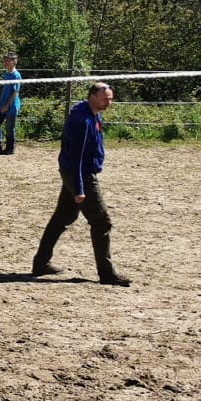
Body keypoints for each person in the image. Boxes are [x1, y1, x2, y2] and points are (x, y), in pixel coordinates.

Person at [32, 82, 130, 285]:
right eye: (105, 99)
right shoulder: (82, 120)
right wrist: (78, 188)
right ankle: (107, 274)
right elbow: (76, 156)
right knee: (102, 222)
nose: (108, 103)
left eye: (110, 99)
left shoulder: (92, 113)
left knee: (62, 217)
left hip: (75, 172)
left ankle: (41, 263)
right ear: (92, 97)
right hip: (81, 175)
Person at [0, 51, 21, 155]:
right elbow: (5, 89)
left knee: (9, 128)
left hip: (11, 106)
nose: (5, 63)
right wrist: (0, 100)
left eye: (7, 61)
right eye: (5, 60)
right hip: (3, 103)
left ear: (13, 62)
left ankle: (10, 148)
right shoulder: (7, 74)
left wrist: (7, 105)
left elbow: (15, 92)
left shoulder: (16, 76)